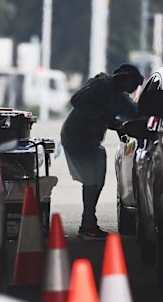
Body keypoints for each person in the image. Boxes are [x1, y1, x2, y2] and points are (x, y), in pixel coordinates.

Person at [61, 63, 143, 239]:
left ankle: (89, 222)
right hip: (77, 136)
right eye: (133, 84)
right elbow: (77, 99)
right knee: (91, 180)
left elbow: (134, 113)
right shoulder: (100, 84)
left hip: (92, 140)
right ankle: (87, 225)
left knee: (97, 180)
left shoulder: (121, 97)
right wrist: (103, 116)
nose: (133, 89)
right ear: (125, 78)